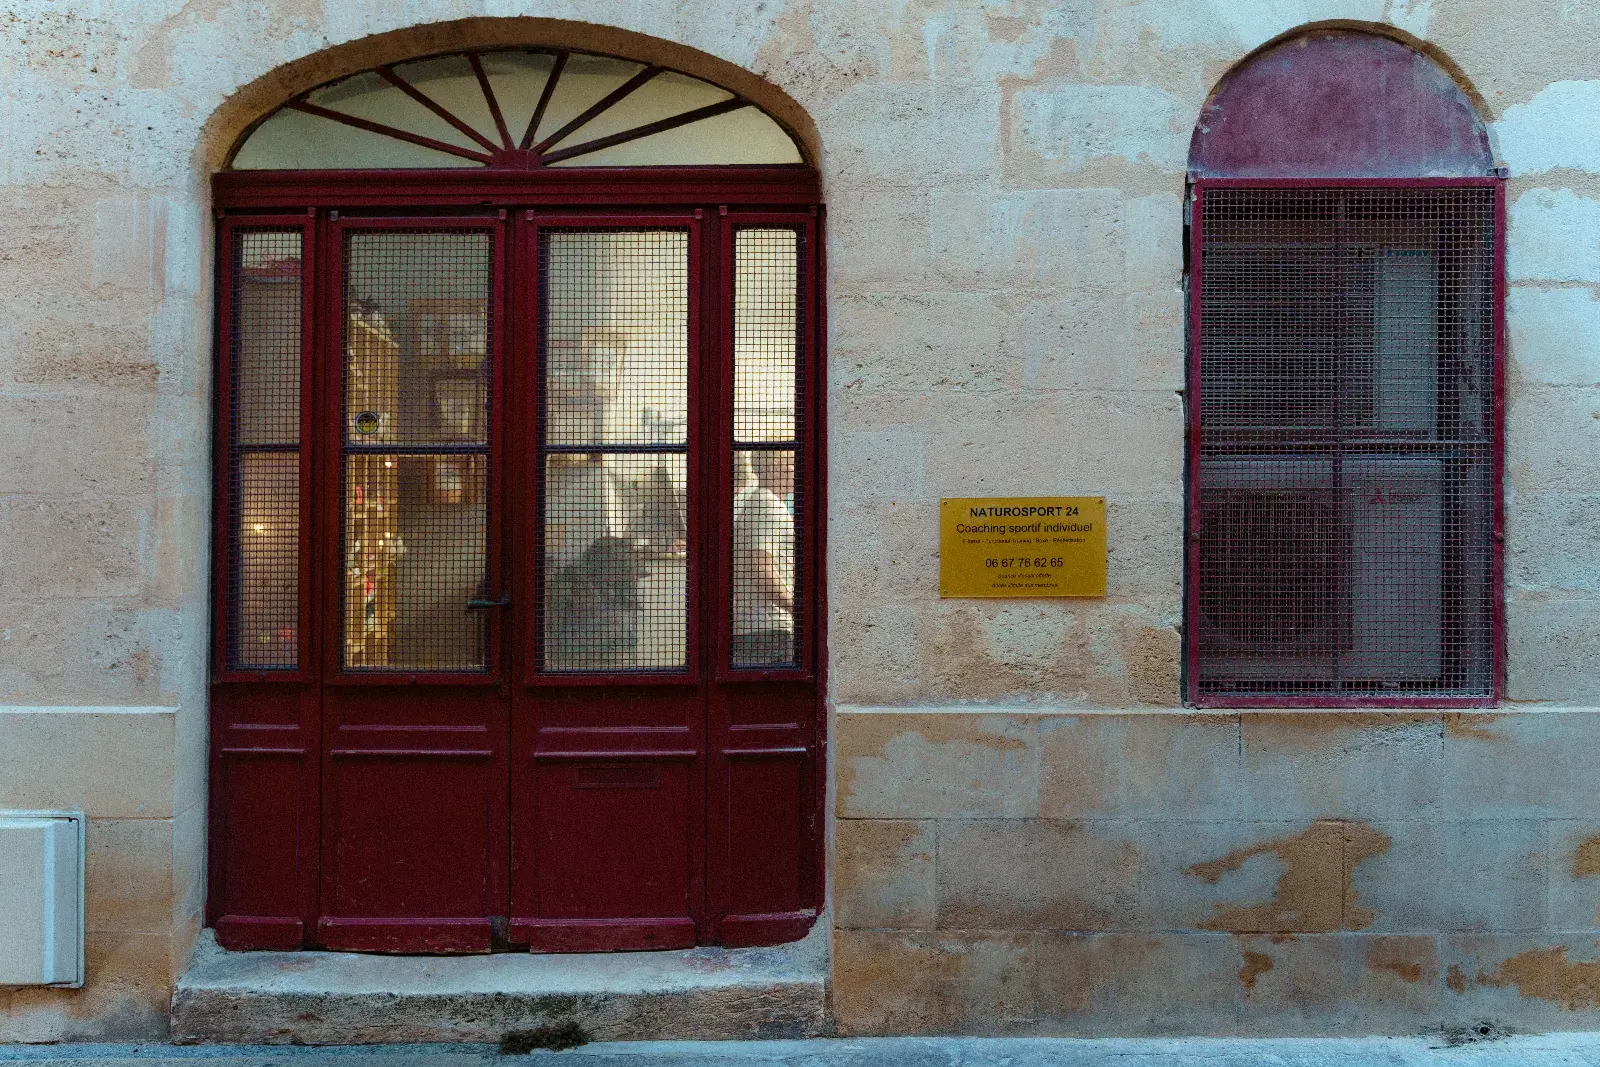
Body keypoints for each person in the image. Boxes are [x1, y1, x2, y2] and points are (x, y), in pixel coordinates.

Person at [732, 450, 795, 666]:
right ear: (776, 466)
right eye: (792, 464)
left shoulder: (754, 502)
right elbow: (761, 570)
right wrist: (798, 608)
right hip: (768, 629)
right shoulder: (769, 505)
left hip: (754, 628)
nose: (797, 471)